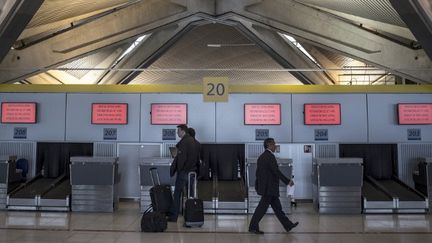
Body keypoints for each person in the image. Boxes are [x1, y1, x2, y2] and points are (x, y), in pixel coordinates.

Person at [249, 138, 299, 234]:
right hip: (269, 189)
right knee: (262, 209)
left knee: (277, 208)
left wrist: (259, 186)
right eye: (274, 144)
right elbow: (276, 171)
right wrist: (288, 181)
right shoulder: (269, 157)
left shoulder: (262, 157)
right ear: (269, 145)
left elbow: (257, 173)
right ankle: (253, 227)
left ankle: (288, 225)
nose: (275, 146)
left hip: (267, 188)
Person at [168, 124, 198, 222]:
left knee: (177, 194)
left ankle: (173, 216)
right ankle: (191, 216)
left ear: (183, 131)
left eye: (178, 131)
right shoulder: (194, 141)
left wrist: (179, 169)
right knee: (191, 195)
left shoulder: (184, 142)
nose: (177, 133)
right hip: (192, 172)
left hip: (184, 172)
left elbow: (181, 159)